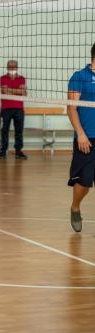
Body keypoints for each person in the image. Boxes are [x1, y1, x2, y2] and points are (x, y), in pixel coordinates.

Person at [67, 43, 95, 233]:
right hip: (87, 138)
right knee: (84, 183)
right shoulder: (79, 77)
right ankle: (75, 207)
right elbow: (71, 108)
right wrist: (81, 134)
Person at [0, 60, 28, 160]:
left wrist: (10, 90)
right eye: (10, 67)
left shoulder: (22, 78)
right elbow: (4, 91)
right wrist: (17, 91)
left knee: (19, 131)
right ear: (7, 67)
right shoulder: (3, 78)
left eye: (14, 67)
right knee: (4, 131)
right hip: (6, 108)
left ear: (17, 67)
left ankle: (18, 152)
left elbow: (23, 92)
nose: (12, 69)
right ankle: (3, 151)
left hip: (19, 108)